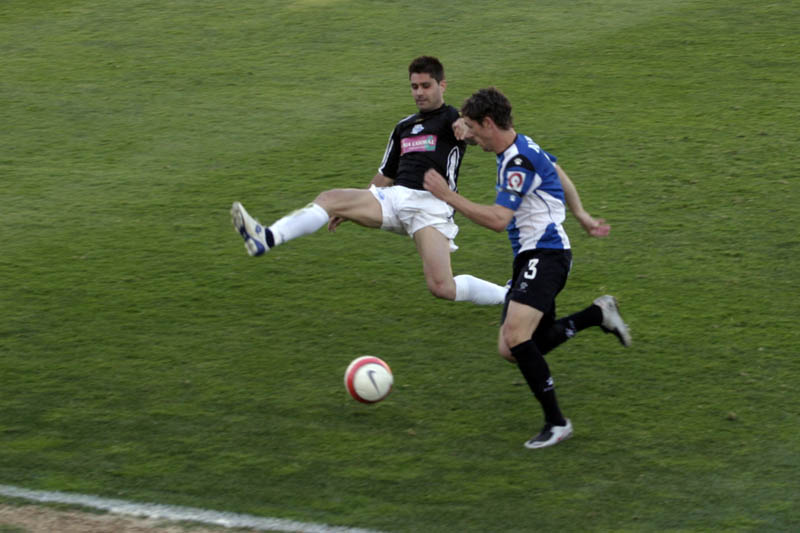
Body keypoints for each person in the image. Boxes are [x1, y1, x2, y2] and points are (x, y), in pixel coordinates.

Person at [423, 87, 631, 449]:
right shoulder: (521, 145)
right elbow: (557, 170)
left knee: (517, 336)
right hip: (530, 257)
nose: (471, 136)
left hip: (547, 255)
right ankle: (597, 314)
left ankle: (557, 423)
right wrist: (581, 214)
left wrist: (448, 196)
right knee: (512, 349)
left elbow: (498, 219)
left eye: (474, 127)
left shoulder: (517, 163)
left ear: (489, 123)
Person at [230, 56, 507, 306]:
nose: (419, 92)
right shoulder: (404, 127)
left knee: (442, 287)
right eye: (414, 87)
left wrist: (464, 124)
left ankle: (507, 295)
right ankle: (266, 238)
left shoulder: (452, 118)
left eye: (426, 86)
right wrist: (354, 207)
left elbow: (473, 134)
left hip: (431, 206)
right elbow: (386, 174)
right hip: (395, 197)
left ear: (442, 85)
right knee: (330, 199)